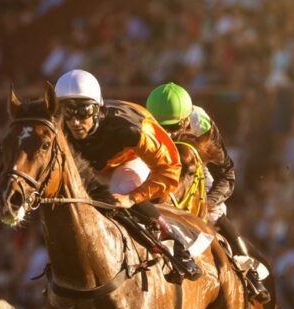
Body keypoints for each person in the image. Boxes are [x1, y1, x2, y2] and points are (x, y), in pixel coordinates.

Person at [53, 69, 202, 282]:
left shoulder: (129, 127)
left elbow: (169, 168)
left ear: (97, 109)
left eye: (83, 111)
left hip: (131, 160)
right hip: (94, 167)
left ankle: (177, 244)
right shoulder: (59, 127)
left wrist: (131, 198)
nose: (75, 121)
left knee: (119, 190)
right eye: (68, 112)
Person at [145, 82, 270, 303]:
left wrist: (208, 202)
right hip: (158, 170)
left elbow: (227, 173)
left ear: (186, 120)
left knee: (215, 214)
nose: (169, 134)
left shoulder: (201, 124)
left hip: (195, 169)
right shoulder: (142, 124)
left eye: (174, 127)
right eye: (162, 127)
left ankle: (249, 272)